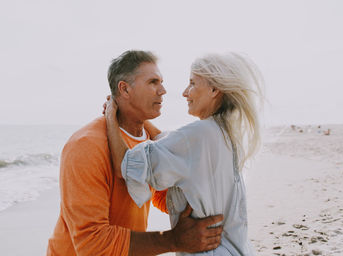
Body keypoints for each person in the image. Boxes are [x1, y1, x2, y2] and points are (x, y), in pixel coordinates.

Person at [47, 50, 223, 256]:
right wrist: (172, 240)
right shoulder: (85, 146)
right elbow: (92, 245)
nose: (163, 90)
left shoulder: (148, 138)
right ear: (125, 89)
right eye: (153, 82)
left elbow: (160, 195)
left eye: (161, 82)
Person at [105, 52, 265, 255]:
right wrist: (137, 118)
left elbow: (125, 166)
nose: (184, 92)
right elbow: (167, 142)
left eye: (192, 83)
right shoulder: (225, 134)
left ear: (214, 89)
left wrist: (111, 114)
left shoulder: (198, 137)